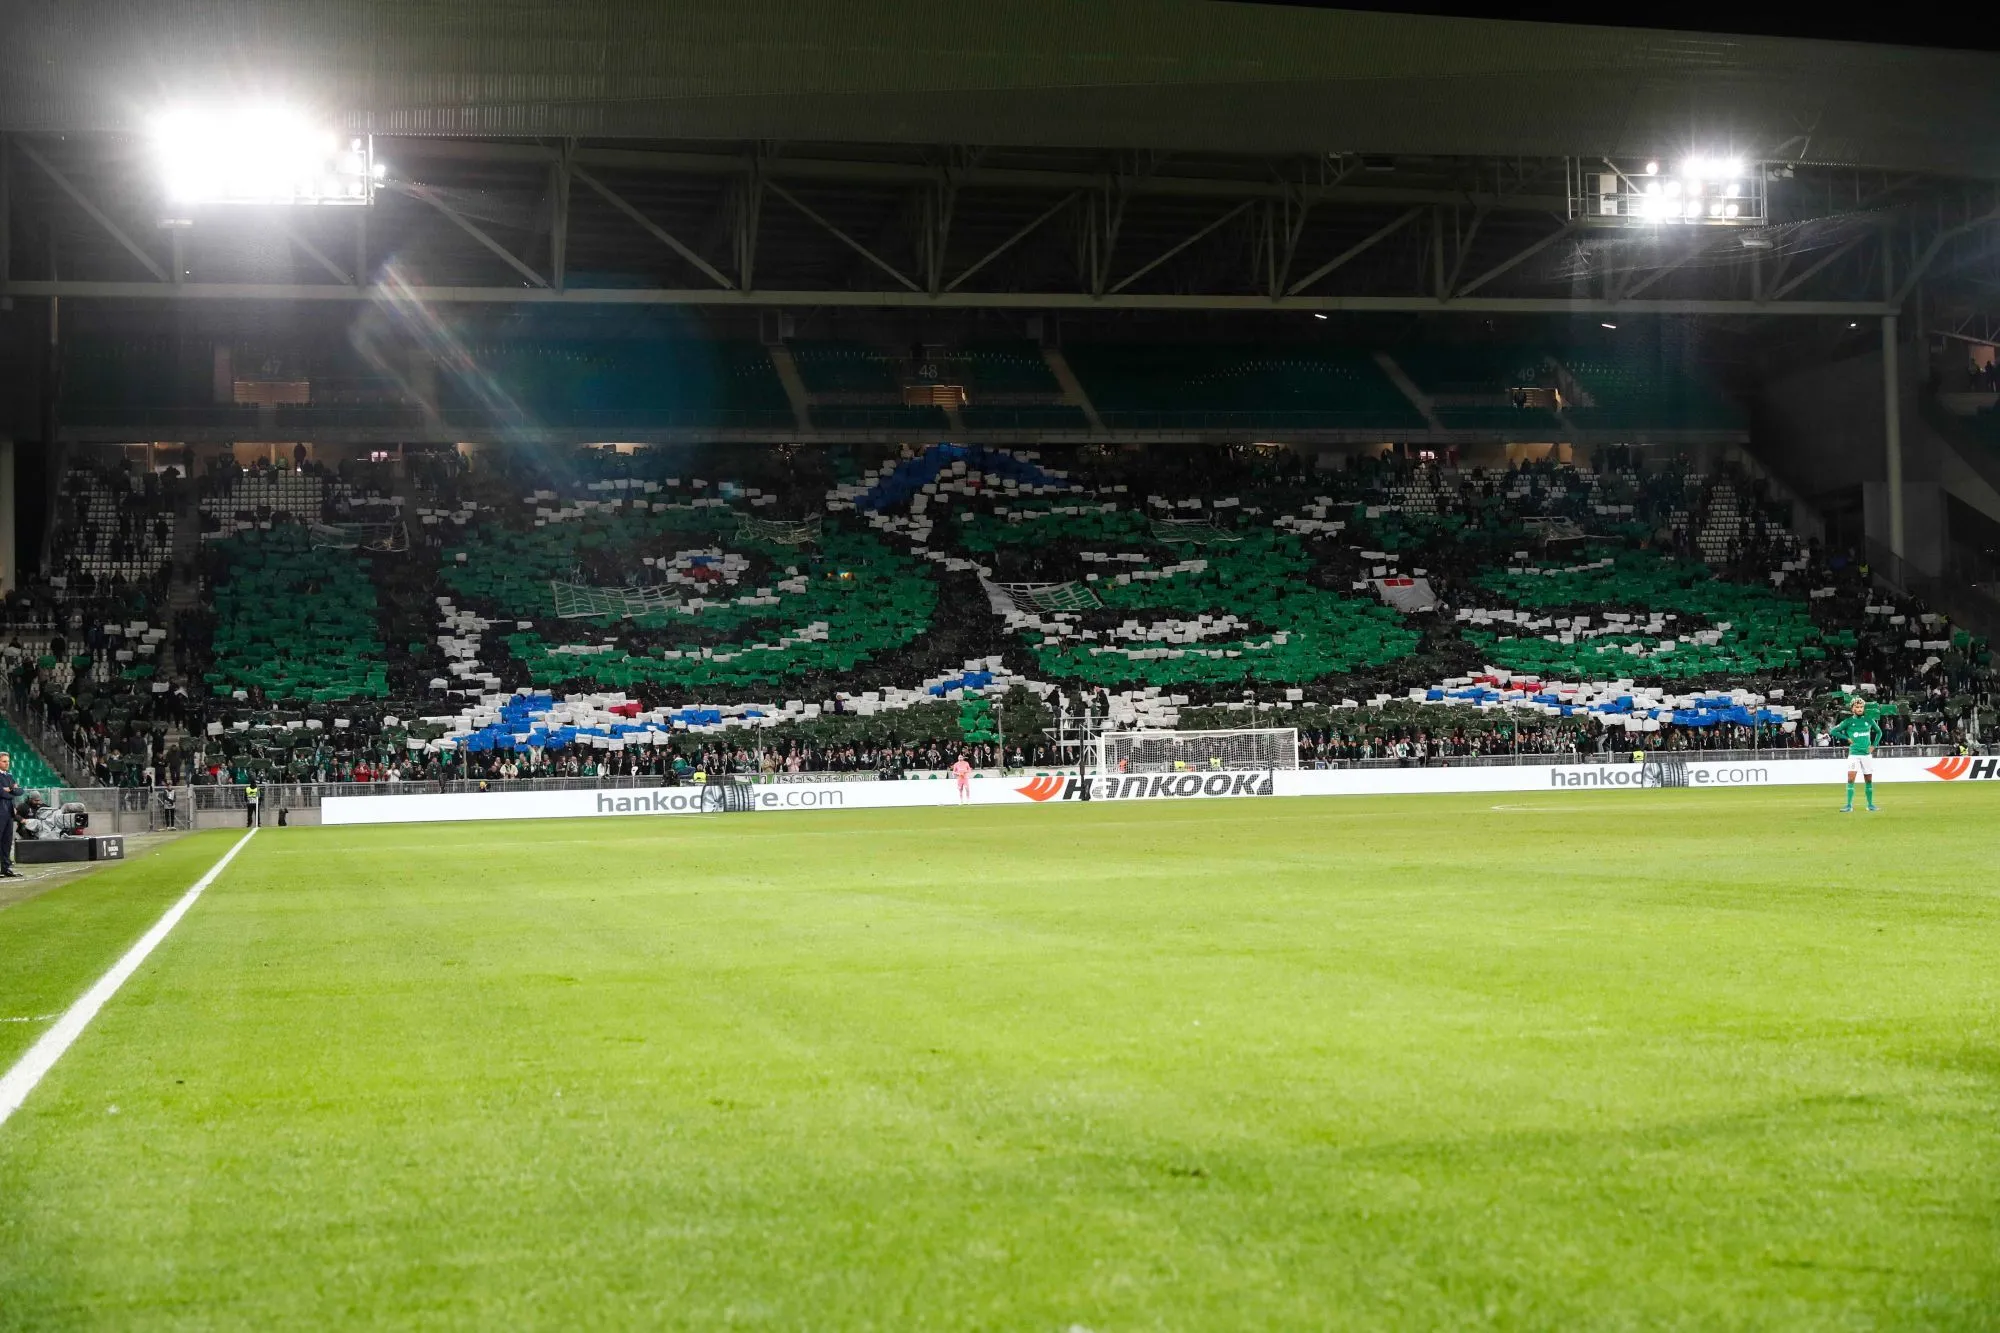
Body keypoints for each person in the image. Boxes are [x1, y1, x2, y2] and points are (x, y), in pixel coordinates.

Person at [1830, 696, 1882, 813]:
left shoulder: (1868, 720)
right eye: (1857, 707)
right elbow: (1833, 731)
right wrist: (1846, 738)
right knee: (1850, 778)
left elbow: (1879, 732)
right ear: (1852, 709)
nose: (1859, 709)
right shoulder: (1848, 722)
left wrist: (1874, 745)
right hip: (1854, 754)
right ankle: (1849, 805)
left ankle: (1870, 805)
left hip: (1866, 755)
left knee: (1868, 779)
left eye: (1861, 707)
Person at [0, 753, 22, 878]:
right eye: (4, 761)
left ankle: (6, 867)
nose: (7, 763)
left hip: (8, 812)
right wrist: (10, 790)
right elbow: (1, 793)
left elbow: (19, 791)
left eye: (7, 761)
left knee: (7, 841)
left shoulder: (9, 776)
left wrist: (8, 790)